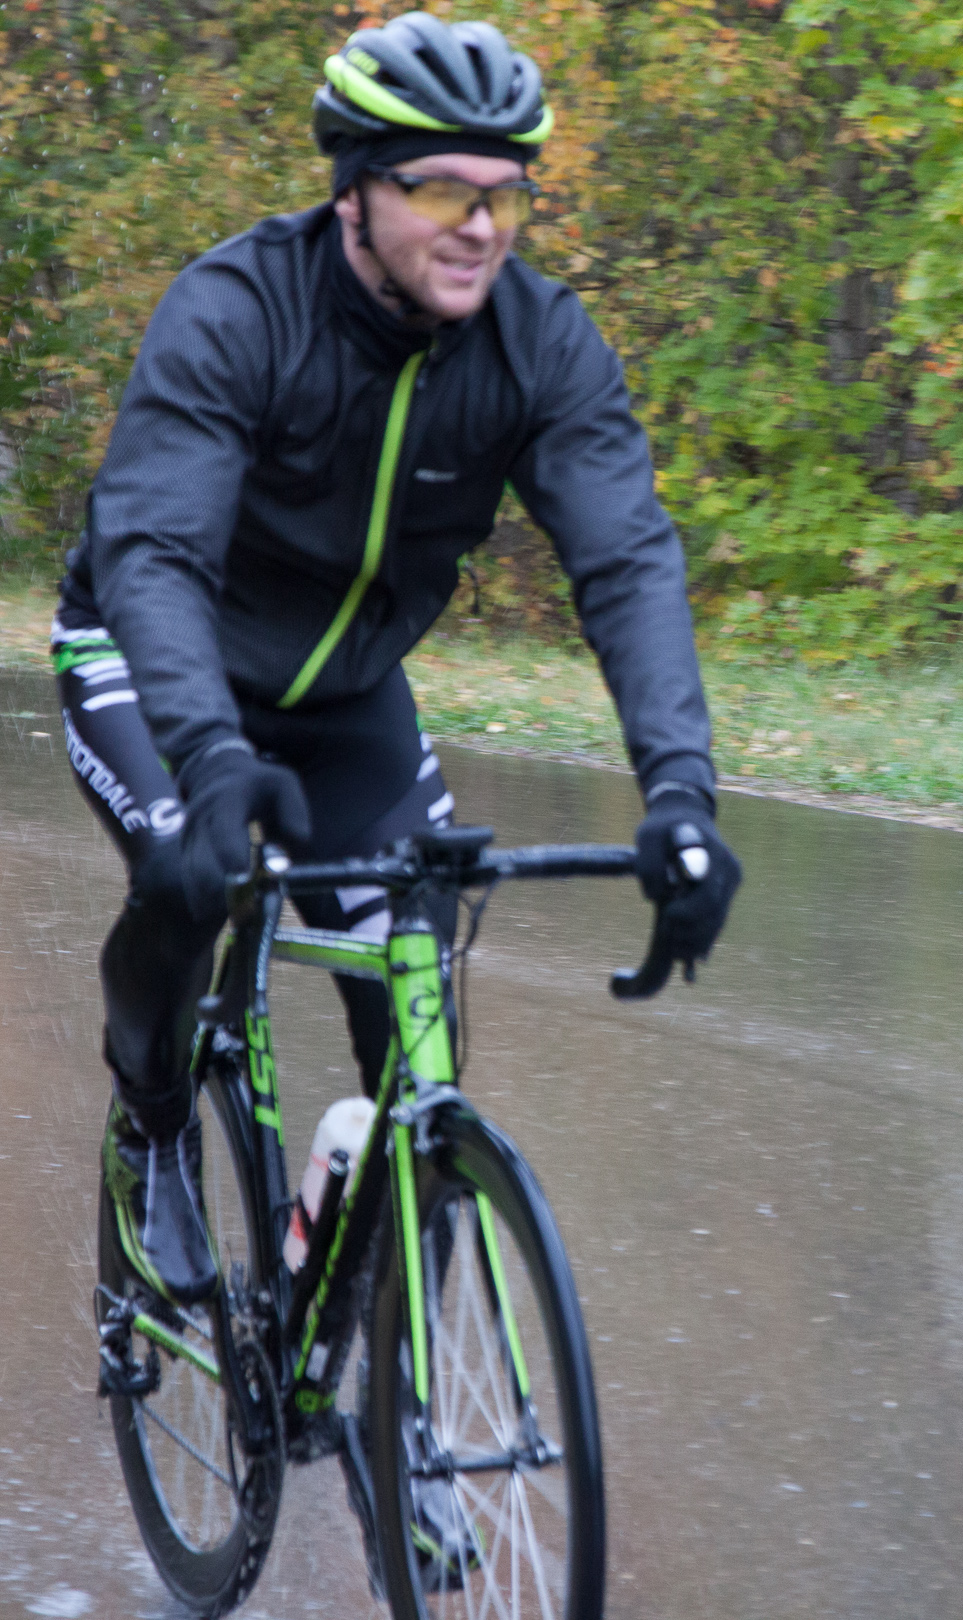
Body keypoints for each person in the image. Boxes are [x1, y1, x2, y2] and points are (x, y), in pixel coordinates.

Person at [54, 10, 741, 1311]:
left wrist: (682, 794)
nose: (479, 225)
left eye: (505, 194)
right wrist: (209, 759)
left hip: (346, 699)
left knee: (417, 1019)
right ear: (355, 191)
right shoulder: (238, 309)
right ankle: (152, 1125)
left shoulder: (539, 343)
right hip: (153, 660)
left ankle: (352, 1326)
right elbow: (155, 555)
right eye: (439, 189)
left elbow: (627, 563)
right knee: (187, 876)